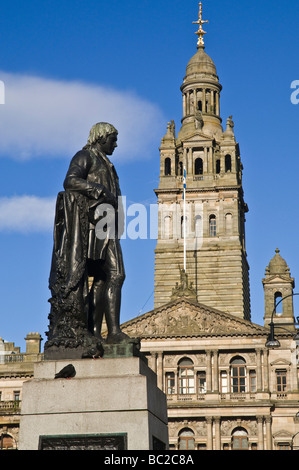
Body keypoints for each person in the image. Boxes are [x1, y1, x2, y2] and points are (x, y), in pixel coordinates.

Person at [46, 123, 128, 358]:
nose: (115, 143)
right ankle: (107, 331)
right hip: (93, 225)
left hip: (107, 225)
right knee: (115, 274)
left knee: (107, 277)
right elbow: (70, 181)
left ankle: (102, 332)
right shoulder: (85, 156)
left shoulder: (107, 162)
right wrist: (98, 190)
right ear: (101, 138)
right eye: (113, 139)